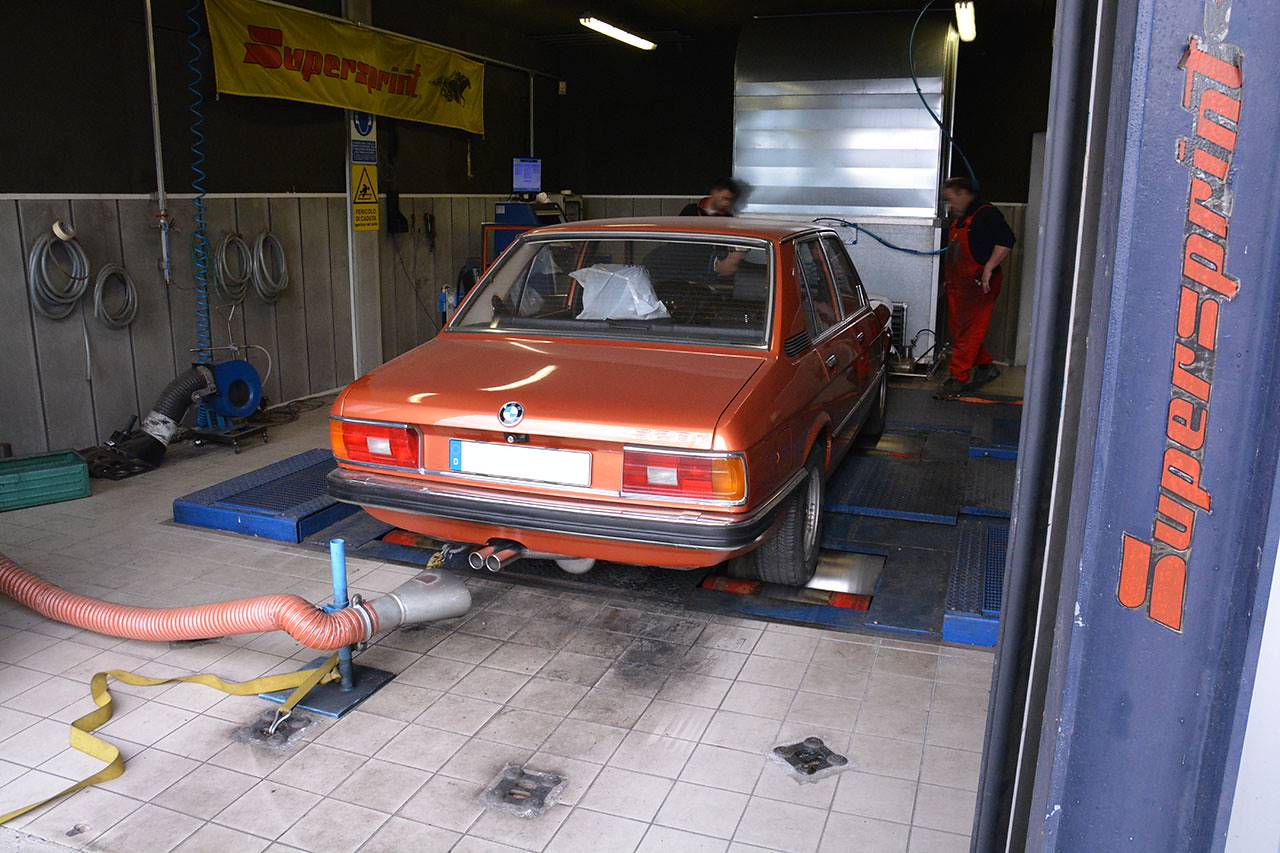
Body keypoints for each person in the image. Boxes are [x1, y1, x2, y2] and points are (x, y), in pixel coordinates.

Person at [935, 175, 1016, 399]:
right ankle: (985, 366)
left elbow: (1007, 241)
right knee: (960, 331)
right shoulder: (961, 218)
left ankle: (957, 379)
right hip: (959, 286)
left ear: (963, 193)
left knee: (968, 332)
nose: (950, 206)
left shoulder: (986, 213)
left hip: (980, 285)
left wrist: (989, 267)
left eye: (951, 200)